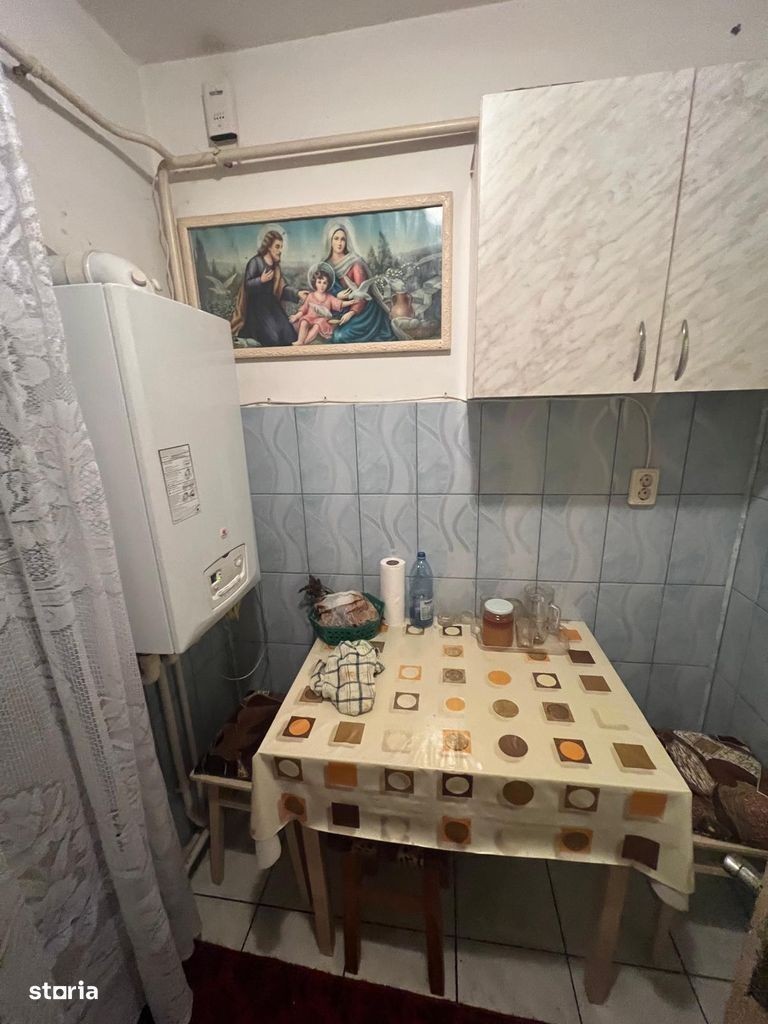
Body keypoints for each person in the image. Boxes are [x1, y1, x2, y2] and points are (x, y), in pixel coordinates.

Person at [322, 222, 403, 343]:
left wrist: (351, 312)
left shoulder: (355, 263)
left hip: (362, 311)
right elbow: (322, 290)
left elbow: (361, 294)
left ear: (347, 242)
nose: (339, 243)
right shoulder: (325, 265)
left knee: (339, 336)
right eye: (336, 238)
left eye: (343, 239)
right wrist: (336, 296)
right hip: (337, 308)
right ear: (330, 240)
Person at [230, 229, 307, 346]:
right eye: (277, 246)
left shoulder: (276, 268)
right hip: (257, 307)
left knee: (289, 336)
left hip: (272, 304)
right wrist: (260, 280)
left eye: (281, 247)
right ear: (269, 247)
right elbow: (247, 285)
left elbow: (281, 288)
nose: (280, 251)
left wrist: (297, 293)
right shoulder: (255, 262)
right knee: (273, 338)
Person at [288, 264, 357, 345]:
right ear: (315, 283)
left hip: (322, 320)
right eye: (319, 282)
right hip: (309, 318)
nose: (322, 285)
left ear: (328, 284)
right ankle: (300, 341)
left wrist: (350, 302)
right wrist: (296, 316)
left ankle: (305, 342)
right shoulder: (310, 296)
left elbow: (339, 304)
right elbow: (304, 309)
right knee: (304, 322)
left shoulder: (329, 297)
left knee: (317, 325)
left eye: (324, 283)